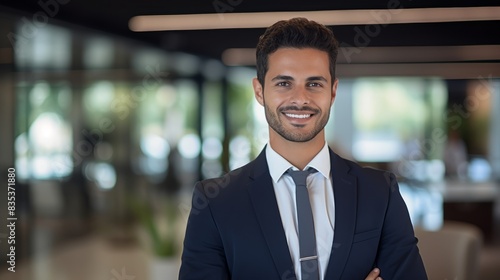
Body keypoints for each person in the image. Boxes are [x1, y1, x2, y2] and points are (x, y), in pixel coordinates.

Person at [179, 17, 427, 280]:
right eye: (284, 83)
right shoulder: (215, 202)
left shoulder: (379, 193)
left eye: (314, 84)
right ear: (260, 91)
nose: (300, 99)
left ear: (332, 91)